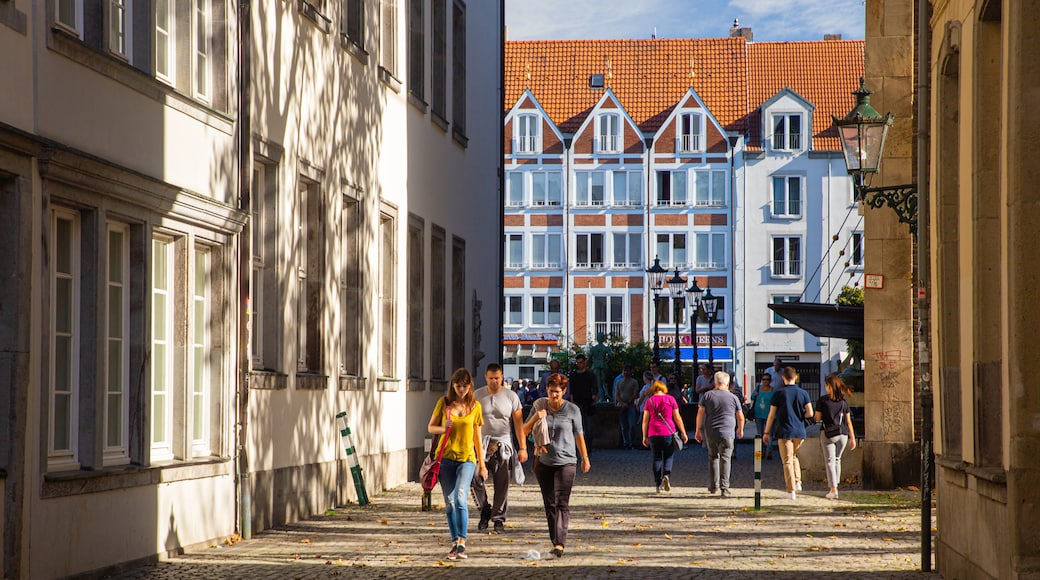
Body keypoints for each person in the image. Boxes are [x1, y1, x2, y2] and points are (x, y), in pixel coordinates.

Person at [523, 373, 590, 558]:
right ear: (546, 390)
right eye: (551, 391)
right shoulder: (539, 406)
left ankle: (560, 543)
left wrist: (584, 457)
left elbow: (579, 434)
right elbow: (523, 430)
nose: (554, 395)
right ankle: (555, 539)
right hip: (543, 463)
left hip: (566, 461)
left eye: (558, 392)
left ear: (564, 392)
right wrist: (537, 416)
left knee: (561, 502)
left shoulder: (572, 410)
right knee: (549, 503)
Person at [427, 368, 488, 560]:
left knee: (461, 498)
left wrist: (482, 464)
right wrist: (443, 428)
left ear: (470, 386)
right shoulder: (443, 403)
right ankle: (454, 542)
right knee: (450, 502)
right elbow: (430, 427)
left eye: (465, 385)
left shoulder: (475, 406)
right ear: (453, 385)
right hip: (445, 459)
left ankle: (462, 542)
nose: (461, 389)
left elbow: (477, 437)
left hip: (467, 459)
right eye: (458, 385)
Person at [471, 363, 528, 534]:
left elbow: (519, 424)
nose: (494, 381)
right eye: (491, 378)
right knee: (475, 478)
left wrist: (523, 447)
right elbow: (471, 423)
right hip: (481, 444)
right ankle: (484, 509)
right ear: (485, 378)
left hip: (503, 444)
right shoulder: (477, 395)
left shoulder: (511, 396)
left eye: (497, 378)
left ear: (502, 377)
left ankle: (498, 518)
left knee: (502, 483)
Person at [762, 366, 813, 499]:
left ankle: (791, 490)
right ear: (795, 377)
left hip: (784, 431)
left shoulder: (778, 393)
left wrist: (766, 432)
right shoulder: (803, 393)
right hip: (800, 431)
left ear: (783, 377)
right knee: (794, 456)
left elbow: (771, 415)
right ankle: (797, 482)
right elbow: (810, 413)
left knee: (787, 461)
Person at [693, 371, 745, 498]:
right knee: (726, 459)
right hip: (728, 431)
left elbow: (700, 414)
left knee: (713, 457)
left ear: (715, 382)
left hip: (711, 431)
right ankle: (725, 487)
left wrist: (698, 429)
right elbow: (740, 416)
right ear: (727, 383)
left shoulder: (707, 395)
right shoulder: (733, 398)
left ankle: (713, 485)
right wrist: (740, 429)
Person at [815, 373, 858, 499]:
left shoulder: (823, 400)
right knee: (837, 459)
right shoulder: (843, 402)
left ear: (829, 386)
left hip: (828, 432)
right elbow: (849, 421)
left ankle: (833, 489)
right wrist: (853, 438)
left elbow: (817, 418)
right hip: (843, 434)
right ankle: (836, 485)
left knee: (830, 461)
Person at [641, 381, 688, 493]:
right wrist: (683, 432)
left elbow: (645, 420)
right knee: (668, 456)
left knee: (656, 458)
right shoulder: (670, 399)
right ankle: (666, 475)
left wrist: (644, 436)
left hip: (653, 432)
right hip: (668, 431)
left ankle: (658, 484)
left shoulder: (649, 401)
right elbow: (677, 417)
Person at [568, 353, 599, 437]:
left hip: (588, 403)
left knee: (588, 428)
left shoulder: (590, 375)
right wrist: (572, 401)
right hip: (577, 403)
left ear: (584, 362)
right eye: (578, 363)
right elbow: (571, 390)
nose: (579, 364)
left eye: (581, 362)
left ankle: (588, 448)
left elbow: (595, 388)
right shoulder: (574, 375)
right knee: (578, 427)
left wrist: (594, 399)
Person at [613, 364, 641, 449]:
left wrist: (628, 402)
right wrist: (621, 403)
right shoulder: (619, 382)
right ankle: (626, 443)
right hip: (621, 406)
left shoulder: (634, 382)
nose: (626, 372)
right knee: (623, 426)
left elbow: (635, 394)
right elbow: (617, 394)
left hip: (631, 405)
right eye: (625, 370)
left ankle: (632, 442)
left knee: (632, 425)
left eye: (628, 370)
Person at [750, 372, 777, 459]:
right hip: (759, 414)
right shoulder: (758, 388)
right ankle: (761, 450)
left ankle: (769, 451)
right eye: (764, 379)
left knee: (769, 433)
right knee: (760, 433)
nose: (765, 381)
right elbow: (751, 397)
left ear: (770, 381)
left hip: (770, 415)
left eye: (767, 379)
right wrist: (755, 395)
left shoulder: (773, 391)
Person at [588, 333, 612, 403]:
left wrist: (593, 362)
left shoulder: (594, 348)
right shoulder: (606, 348)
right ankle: (605, 394)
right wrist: (606, 362)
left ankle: (602, 397)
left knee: (598, 382)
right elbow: (611, 356)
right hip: (603, 364)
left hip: (596, 365)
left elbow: (589, 358)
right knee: (603, 381)